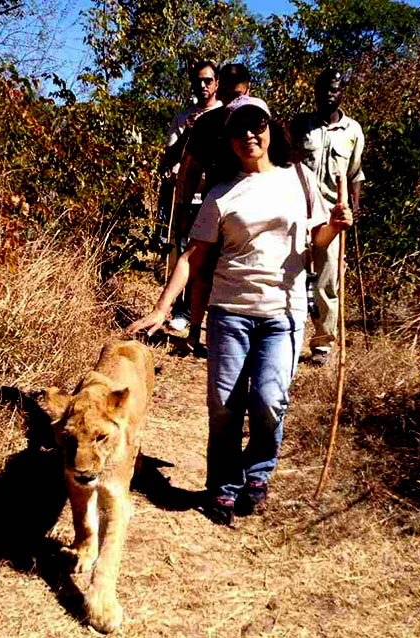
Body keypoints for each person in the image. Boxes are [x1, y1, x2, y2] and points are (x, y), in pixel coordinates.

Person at [128, 96, 354, 526]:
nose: (249, 136)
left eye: (257, 125)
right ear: (228, 140)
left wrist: (333, 227)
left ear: (271, 129)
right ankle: (224, 488)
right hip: (230, 311)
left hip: (283, 312)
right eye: (238, 130)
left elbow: (315, 245)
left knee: (269, 400)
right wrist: (162, 308)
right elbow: (194, 256)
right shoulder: (220, 193)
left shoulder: (300, 180)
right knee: (225, 405)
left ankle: (258, 474)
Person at [173, 62, 251, 352]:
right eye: (229, 96)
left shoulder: (256, 124)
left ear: (248, 91)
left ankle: (235, 339)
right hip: (212, 205)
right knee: (202, 271)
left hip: (247, 212)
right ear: (220, 90)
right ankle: (194, 332)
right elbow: (192, 168)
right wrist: (183, 206)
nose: (234, 102)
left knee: (238, 275)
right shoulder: (207, 123)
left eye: (239, 95)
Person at [291, 68, 365, 366]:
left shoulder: (353, 131)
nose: (329, 95)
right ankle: (289, 336)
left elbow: (356, 172)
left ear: (342, 92)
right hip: (299, 208)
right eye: (324, 89)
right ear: (316, 91)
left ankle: (322, 344)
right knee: (292, 274)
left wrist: (354, 206)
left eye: (334, 90)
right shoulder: (301, 124)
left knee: (328, 279)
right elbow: (287, 161)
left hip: (333, 215)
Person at [158, 61, 222, 331]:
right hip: (185, 197)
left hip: (213, 197)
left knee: (210, 259)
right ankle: (181, 311)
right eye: (199, 81)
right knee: (183, 253)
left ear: (217, 83)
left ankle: (206, 315)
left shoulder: (224, 114)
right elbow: (169, 157)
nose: (203, 86)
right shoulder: (183, 117)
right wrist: (187, 131)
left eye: (208, 80)